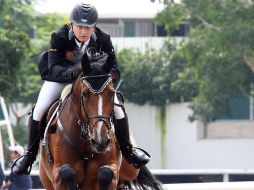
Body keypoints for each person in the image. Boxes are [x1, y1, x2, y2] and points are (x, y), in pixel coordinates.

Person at [12, 3, 150, 176]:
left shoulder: (104, 38)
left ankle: (128, 151)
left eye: (88, 27)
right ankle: (29, 155)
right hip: (62, 79)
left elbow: (115, 70)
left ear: (94, 26)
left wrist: (104, 78)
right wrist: (75, 73)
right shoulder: (59, 37)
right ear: (71, 24)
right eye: (79, 26)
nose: (84, 31)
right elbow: (53, 68)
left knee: (117, 108)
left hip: (94, 82)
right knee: (39, 109)